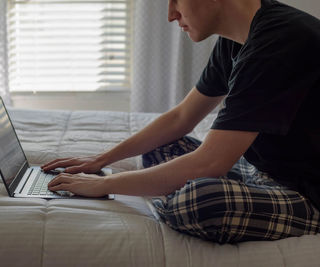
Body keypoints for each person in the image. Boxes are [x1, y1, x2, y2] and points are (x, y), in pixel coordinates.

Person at [42, 0, 320, 243]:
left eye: (177, 0)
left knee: (198, 202)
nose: (171, 14)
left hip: (307, 193)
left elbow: (211, 162)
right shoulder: (238, 37)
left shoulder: (281, 42)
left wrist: (104, 185)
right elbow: (181, 117)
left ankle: (171, 196)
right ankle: (167, 189)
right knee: (158, 148)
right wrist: (101, 160)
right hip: (261, 169)